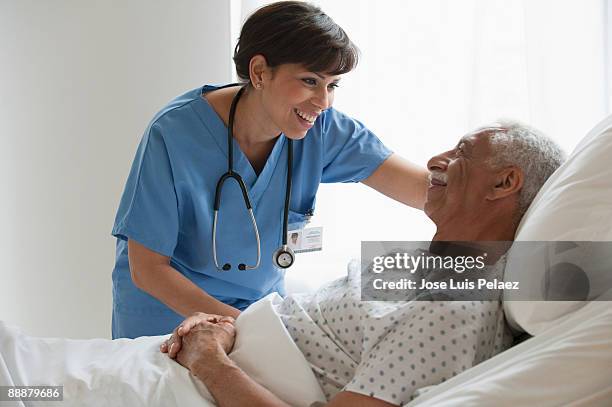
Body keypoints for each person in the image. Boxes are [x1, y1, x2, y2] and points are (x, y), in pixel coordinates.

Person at [161, 120, 566, 406]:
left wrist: (208, 361)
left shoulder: (452, 307)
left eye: (461, 152)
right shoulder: (418, 261)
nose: (433, 160)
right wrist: (222, 330)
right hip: (206, 358)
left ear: (503, 183)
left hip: (207, 379)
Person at [111, 1, 429, 339]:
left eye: (332, 85)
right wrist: (251, 330)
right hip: (169, 317)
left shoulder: (322, 129)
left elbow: (423, 190)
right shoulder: (175, 133)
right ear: (260, 72)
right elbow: (148, 270)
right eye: (310, 81)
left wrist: (486, 189)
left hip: (258, 312)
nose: (323, 101)